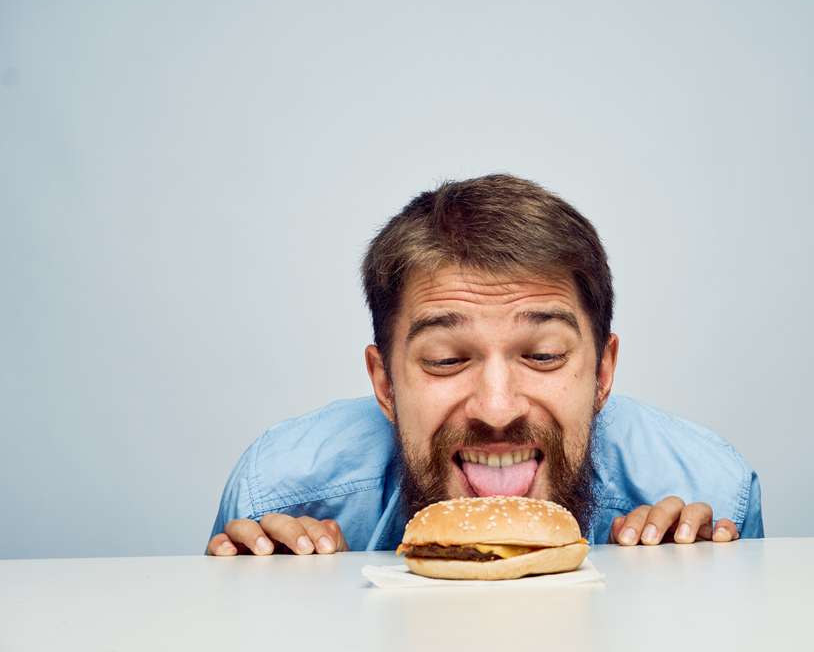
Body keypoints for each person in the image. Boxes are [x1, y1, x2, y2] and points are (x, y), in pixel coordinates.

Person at [207, 174, 763, 556]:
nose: (497, 409)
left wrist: (694, 600)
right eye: (447, 360)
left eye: (543, 355)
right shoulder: (279, 491)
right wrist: (273, 609)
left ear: (602, 373)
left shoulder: (711, 492)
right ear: (385, 384)